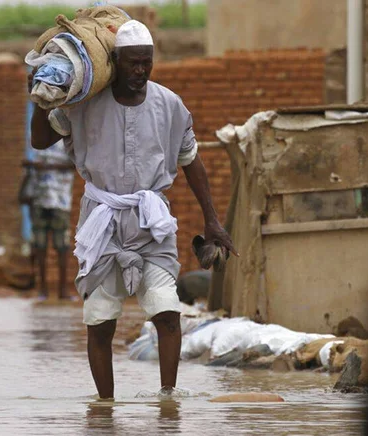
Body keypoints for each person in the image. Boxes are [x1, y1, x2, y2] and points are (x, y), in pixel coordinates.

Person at [29, 20, 237, 399]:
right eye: (133, 63)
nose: (140, 71)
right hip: (102, 220)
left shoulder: (169, 105)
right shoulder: (84, 104)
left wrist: (212, 219)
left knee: (167, 313)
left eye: (147, 63)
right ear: (115, 61)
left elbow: (191, 160)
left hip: (151, 221)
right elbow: (40, 139)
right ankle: (105, 407)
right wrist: (42, 97)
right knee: (100, 322)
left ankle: (168, 398)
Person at [22, 140, 76, 301]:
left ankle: (63, 290)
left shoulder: (68, 137)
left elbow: (74, 166)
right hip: (39, 199)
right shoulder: (37, 136)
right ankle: (43, 290)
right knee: (40, 246)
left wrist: (45, 167)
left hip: (60, 200)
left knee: (62, 247)